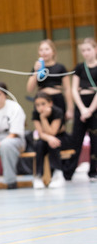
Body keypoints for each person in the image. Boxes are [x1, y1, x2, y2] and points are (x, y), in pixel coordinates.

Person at [67, 38, 97, 182]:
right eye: (83, 50)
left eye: (88, 49)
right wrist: (82, 109)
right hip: (81, 104)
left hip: (94, 105)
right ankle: (68, 172)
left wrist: (90, 110)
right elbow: (74, 89)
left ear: (95, 49)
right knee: (76, 139)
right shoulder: (79, 67)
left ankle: (93, 171)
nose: (86, 53)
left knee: (95, 139)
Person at [32, 91, 72, 189]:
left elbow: (52, 132)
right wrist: (49, 138)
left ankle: (58, 174)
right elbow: (40, 133)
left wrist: (43, 118)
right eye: (37, 105)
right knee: (39, 144)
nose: (40, 107)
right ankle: (38, 176)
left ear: (50, 103)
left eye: (43, 104)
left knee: (53, 143)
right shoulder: (35, 113)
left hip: (60, 138)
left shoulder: (57, 111)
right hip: (45, 139)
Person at [26, 39, 73, 119]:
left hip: (57, 99)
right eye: (41, 50)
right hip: (41, 100)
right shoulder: (37, 68)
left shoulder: (60, 67)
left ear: (53, 51)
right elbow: (29, 89)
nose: (44, 52)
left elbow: (67, 89)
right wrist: (36, 71)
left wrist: (70, 109)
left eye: (47, 49)